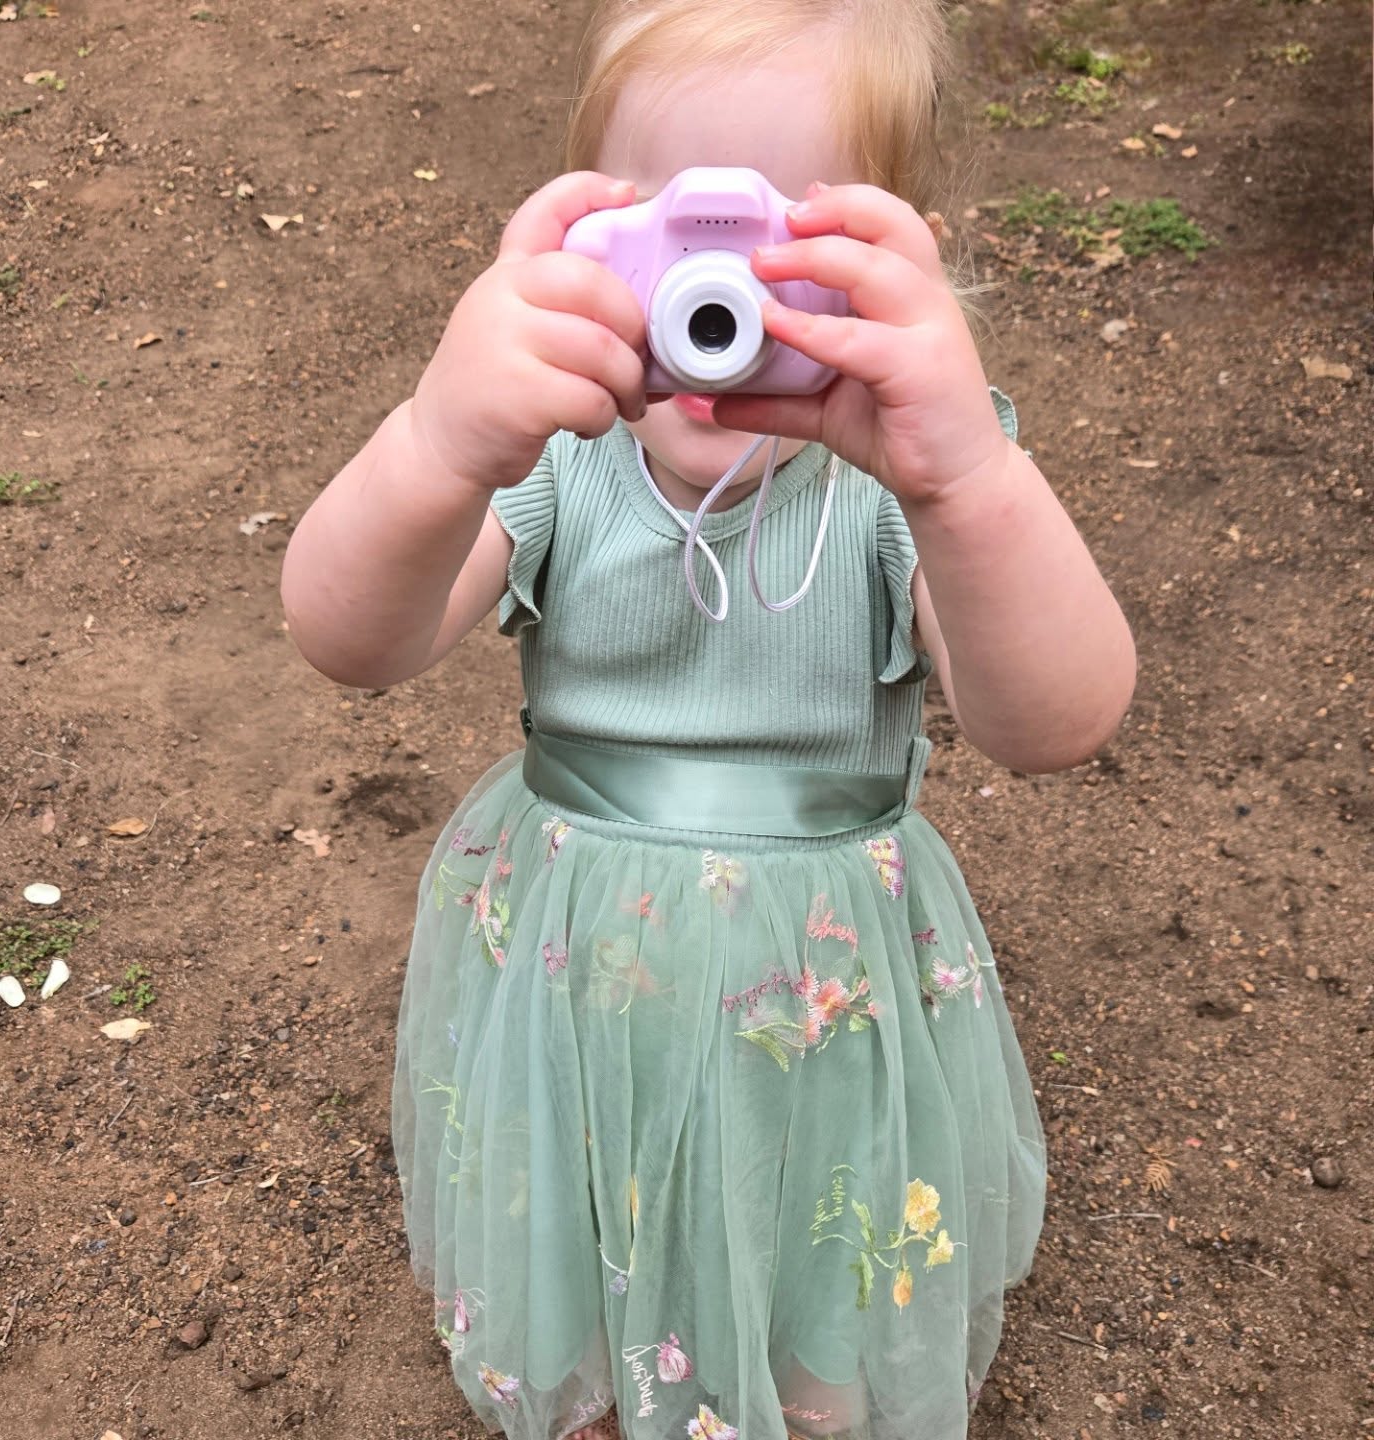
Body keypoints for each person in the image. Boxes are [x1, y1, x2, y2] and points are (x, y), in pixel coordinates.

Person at [280, 1, 1137, 1436]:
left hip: (822, 997)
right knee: (592, 1209)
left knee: (813, 1241)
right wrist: (438, 440)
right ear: (578, 242)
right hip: (579, 975)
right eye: (672, 238)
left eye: (784, 248)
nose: (717, 309)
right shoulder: (557, 453)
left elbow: (1059, 718)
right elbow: (350, 639)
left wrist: (966, 482)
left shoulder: (896, 484)